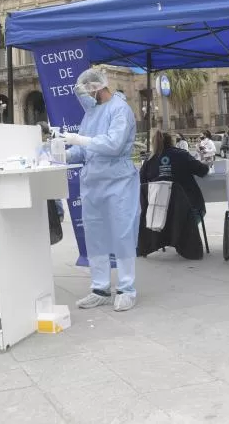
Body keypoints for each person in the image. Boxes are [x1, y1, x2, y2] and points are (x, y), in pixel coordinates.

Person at [62, 67, 140, 312]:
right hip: (93, 182)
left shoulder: (120, 110)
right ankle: (100, 289)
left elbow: (114, 145)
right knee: (95, 236)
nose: (85, 97)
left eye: (87, 91)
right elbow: (84, 150)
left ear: (97, 87)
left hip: (118, 181)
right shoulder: (91, 114)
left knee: (122, 234)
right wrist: (61, 153)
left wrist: (80, 140)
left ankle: (127, 289)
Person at [138, 129, 209, 259]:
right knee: (194, 208)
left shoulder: (149, 161)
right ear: (172, 141)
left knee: (169, 209)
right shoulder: (182, 155)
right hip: (187, 207)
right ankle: (181, 236)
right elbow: (202, 171)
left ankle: (167, 236)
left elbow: (142, 183)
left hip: (158, 211)